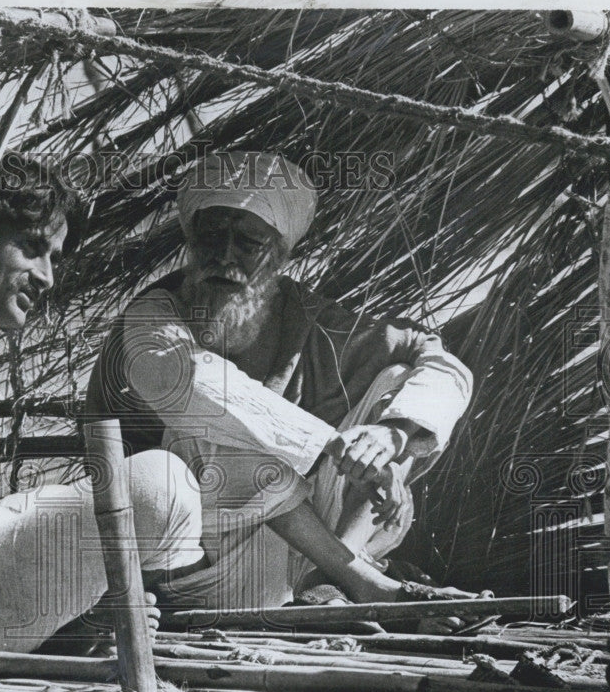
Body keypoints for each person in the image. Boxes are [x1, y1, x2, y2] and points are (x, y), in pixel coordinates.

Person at [86, 150, 486, 615]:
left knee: (397, 383)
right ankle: (358, 579)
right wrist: (333, 446)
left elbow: (442, 363)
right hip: (196, 563)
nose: (225, 257)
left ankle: (326, 582)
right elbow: (183, 382)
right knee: (204, 433)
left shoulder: (314, 321)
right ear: (192, 241)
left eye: (248, 243)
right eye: (211, 237)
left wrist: (390, 434)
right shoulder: (155, 313)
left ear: (279, 255)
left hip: (305, 553)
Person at [0, 152, 206, 653]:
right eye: (31, 248)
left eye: (54, 259)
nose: (47, 277)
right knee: (163, 486)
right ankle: (76, 632)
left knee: (112, 494)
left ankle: (84, 619)